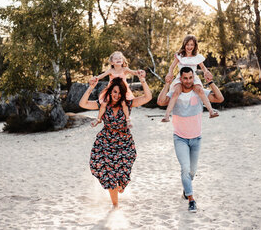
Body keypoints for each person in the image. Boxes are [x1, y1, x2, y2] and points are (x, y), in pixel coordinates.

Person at [79, 72, 152, 208]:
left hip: (124, 142)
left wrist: (142, 80)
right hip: (105, 141)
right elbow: (82, 103)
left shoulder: (128, 104)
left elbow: (148, 97)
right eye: (114, 92)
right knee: (107, 172)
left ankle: (121, 187)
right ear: (110, 91)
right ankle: (115, 206)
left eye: (119, 93)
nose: (117, 95)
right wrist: (91, 87)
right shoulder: (103, 104)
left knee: (122, 173)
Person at [157, 66, 224, 212]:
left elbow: (219, 98)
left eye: (190, 78)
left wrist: (210, 82)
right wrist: (167, 83)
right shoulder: (176, 93)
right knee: (185, 169)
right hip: (180, 138)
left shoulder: (200, 93)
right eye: (185, 78)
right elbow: (160, 101)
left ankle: (186, 189)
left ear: (193, 77)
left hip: (196, 139)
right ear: (180, 79)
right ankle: (191, 200)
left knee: (192, 172)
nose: (188, 81)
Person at [162, 35, 219, 122]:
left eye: (192, 44)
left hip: (193, 78)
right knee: (176, 92)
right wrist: (170, 73)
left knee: (200, 90)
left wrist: (206, 72)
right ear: (184, 45)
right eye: (187, 44)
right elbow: (172, 67)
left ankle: (211, 112)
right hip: (181, 77)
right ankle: (166, 116)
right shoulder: (180, 56)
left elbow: (203, 68)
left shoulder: (197, 57)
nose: (189, 47)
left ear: (195, 45)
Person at [90, 51, 143, 129]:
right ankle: (98, 119)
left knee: (124, 103)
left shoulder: (125, 69)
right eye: (116, 58)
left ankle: (128, 119)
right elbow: (102, 75)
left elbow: (133, 72)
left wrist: (138, 72)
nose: (118, 59)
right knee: (104, 103)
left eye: (120, 58)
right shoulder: (111, 70)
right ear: (112, 62)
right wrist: (96, 78)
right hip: (112, 91)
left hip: (122, 90)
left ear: (123, 60)